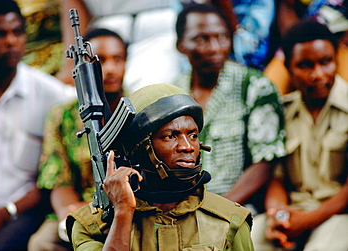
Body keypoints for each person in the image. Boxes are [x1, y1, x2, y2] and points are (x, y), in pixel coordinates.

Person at [66, 83, 254, 250]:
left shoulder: (229, 221)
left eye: (193, 135)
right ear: (139, 148)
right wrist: (123, 212)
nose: (187, 146)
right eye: (169, 136)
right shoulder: (90, 226)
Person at [0, 0, 76, 250]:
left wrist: (1, 214)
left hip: (28, 210)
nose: (11, 41)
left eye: (18, 32)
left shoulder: (52, 94)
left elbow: (53, 175)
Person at [173, 3, 286, 214]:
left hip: (240, 211)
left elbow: (265, 163)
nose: (214, 48)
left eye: (222, 37)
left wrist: (215, 209)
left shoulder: (254, 86)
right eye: (201, 39)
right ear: (180, 45)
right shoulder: (171, 94)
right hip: (182, 213)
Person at [251, 19, 348, 251]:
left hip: (337, 216)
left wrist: (307, 221)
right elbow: (276, 176)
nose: (318, 74)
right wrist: (277, 215)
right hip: (293, 213)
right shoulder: (282, 112)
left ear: (336, 59)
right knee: (244, 241)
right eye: (305, 65)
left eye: (326, 62)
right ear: (289, 70)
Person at [28, 28, 127, 251]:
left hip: (130, 205)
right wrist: (69, 213)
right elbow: (58, 179)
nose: (110, 69)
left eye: (117, 59)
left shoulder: (138, 109)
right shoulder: (61, 116)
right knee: (41, 243)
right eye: (100, 62)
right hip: (80, 207)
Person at [57, 0, 183, 94]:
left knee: (151, 94)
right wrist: (72, 63)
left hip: (157, 30)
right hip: (104, 28)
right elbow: (74, 6)